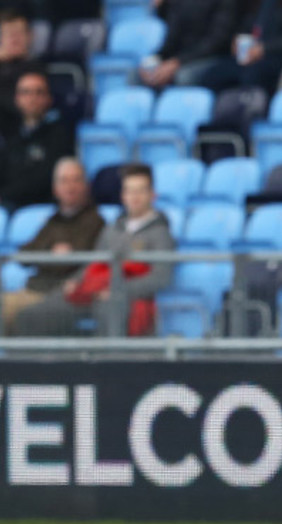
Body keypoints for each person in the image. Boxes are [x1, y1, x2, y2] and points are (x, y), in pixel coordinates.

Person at [13, 165, 175, 337]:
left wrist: (118, 289)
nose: (134, 197)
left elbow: (160, 278)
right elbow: (94, 262)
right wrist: (74, 282)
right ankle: (42, 361)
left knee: (111, 308)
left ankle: (107, 362)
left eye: (140, 191)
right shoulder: (113, 229)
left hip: (125, 298)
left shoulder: (161, 233)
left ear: (152, 195)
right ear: (122, 195)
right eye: (129, 191)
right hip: (94, 291)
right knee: (34, 313)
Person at [1, 158, 103, 333]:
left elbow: (68, 262)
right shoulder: (52, 221)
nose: (70, 187)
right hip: (34, 287)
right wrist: (50, 253)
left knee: (11, 312)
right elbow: (25, 255)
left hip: (59, 294)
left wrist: (47, 256)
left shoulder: (95, 222)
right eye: (64, 181)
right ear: (55, 189)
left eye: (76, 180)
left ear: (86, 186)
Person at [0, 70, 75, 209]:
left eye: (39, 92)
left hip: (41, 208)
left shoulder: (60, 134)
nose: (32, 98)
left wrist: (4, 195)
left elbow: (44, 179)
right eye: (26, 92)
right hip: (6, 205)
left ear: (49, 98)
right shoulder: (10, 135)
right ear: (17, 99)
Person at [138, 0, 239, 90]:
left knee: (183, 77)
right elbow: (170, 40)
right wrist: (156, 59)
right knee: (138, 75)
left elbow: (216, 43)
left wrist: (178, 62)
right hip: (178, 60)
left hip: (212, 59)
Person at [0, 9, 42, 130]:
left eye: (19, 33)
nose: (14, 39)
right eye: (9, 34)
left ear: (30, 36)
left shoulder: (35, 68)